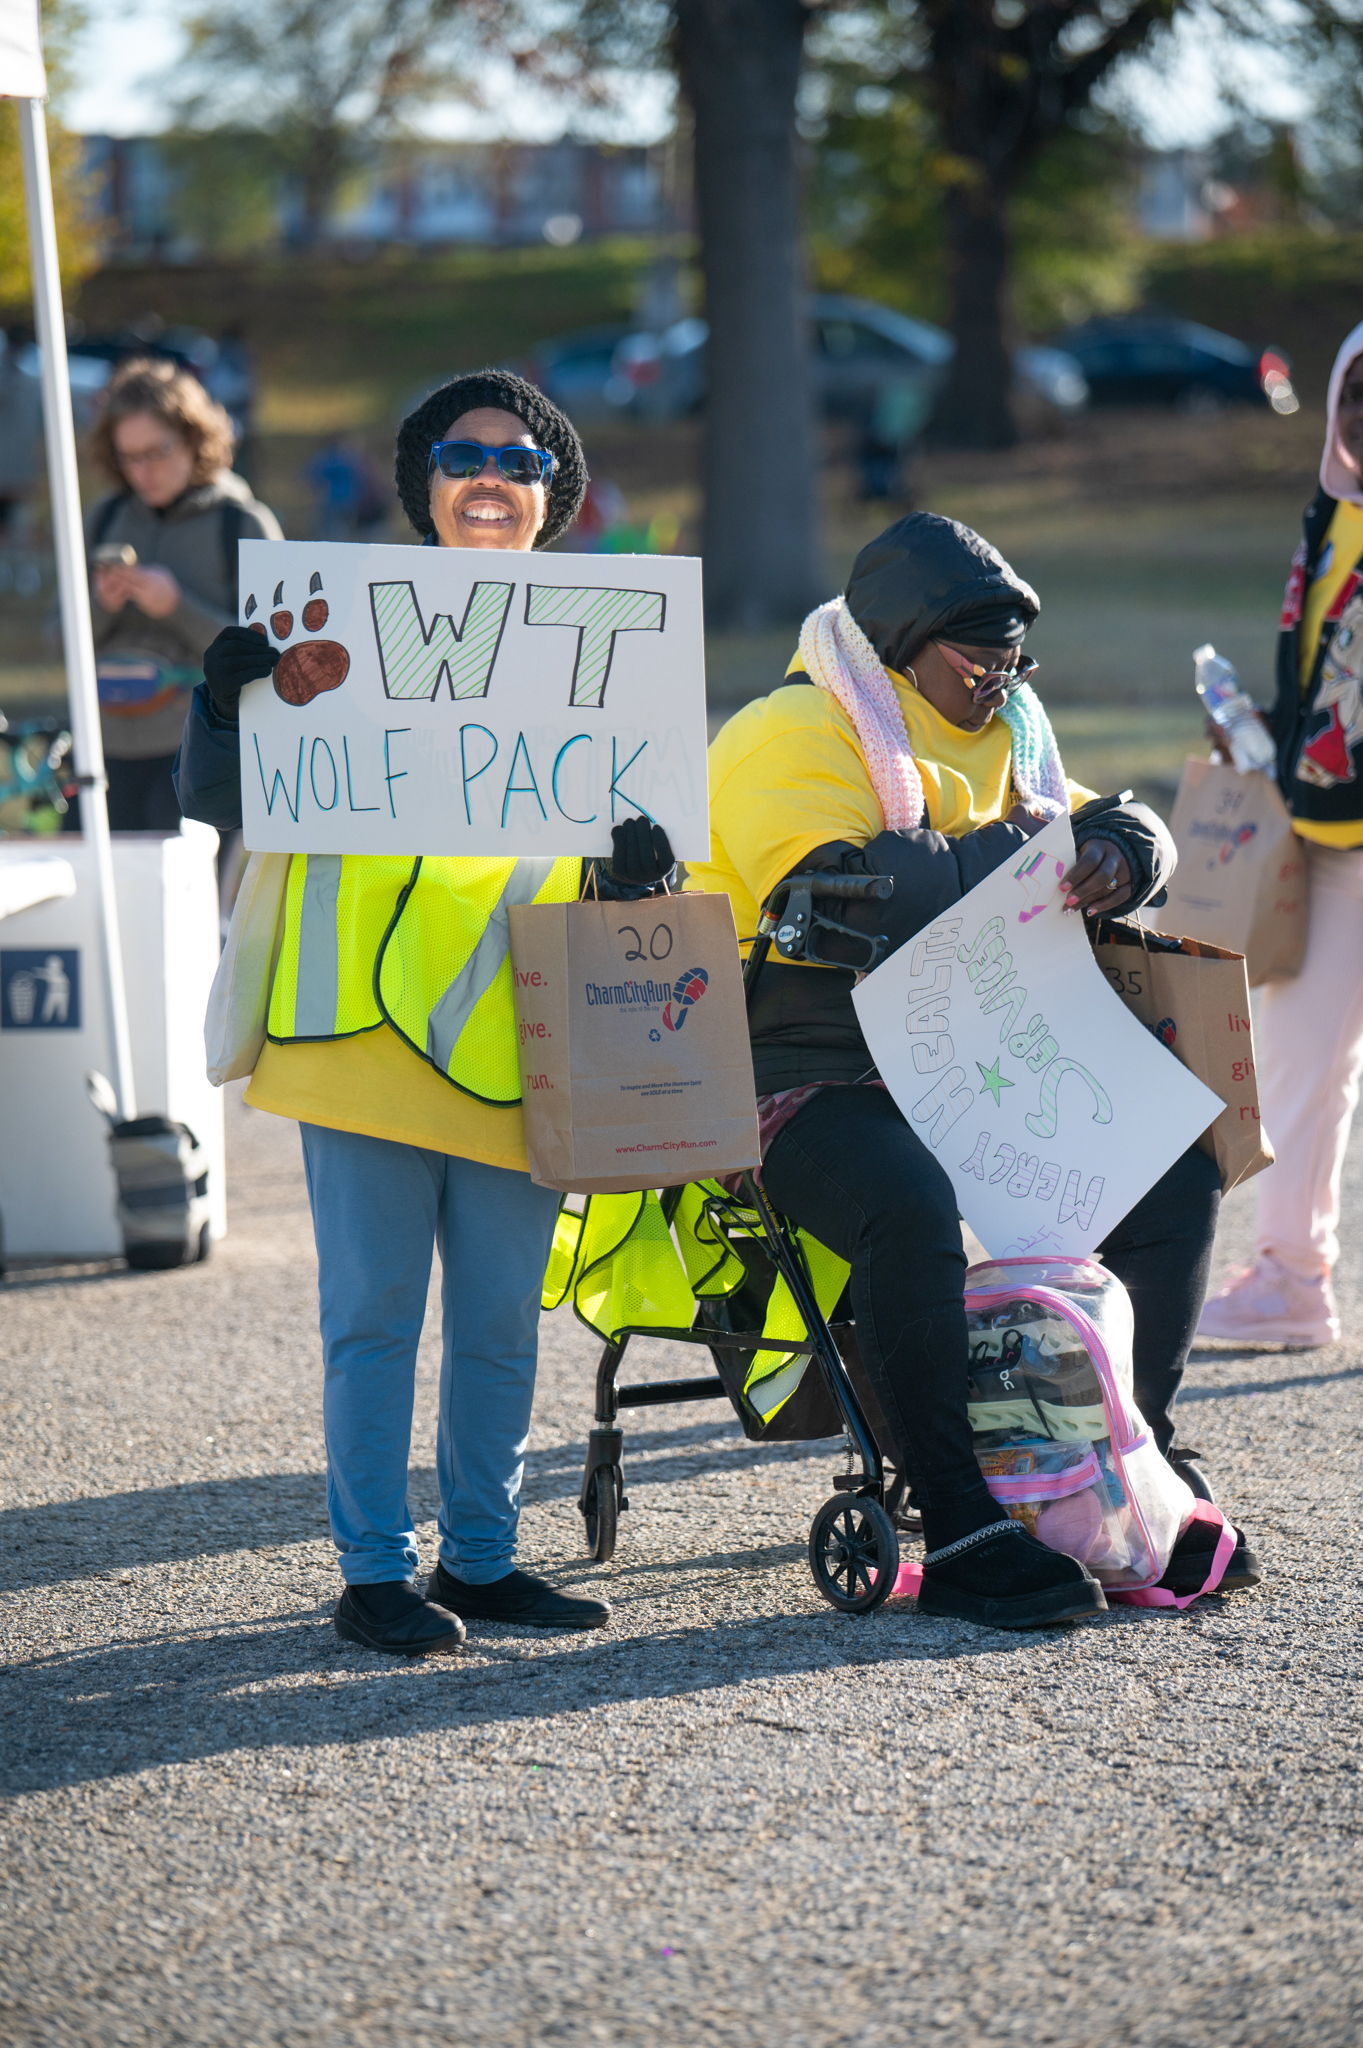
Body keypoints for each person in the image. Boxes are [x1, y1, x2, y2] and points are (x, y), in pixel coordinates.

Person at [174, 369, 673, 1656]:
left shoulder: (605, 650)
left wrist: (640, 871)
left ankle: (486, 1559)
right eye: (462, 457)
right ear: (424, 486)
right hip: (350, 1036)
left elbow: (642, 858)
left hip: (518, 1038)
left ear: (555, 495)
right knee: (374, 1317)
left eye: (521, 462)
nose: (491, 479)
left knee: (503, 1320)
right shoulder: (330, 629)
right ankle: (372, 1571)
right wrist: (222, 702)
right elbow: (233, 798)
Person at [687, 512, 1261, 1629]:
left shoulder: (1015, 727)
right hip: (802, 1073)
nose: (1000, 679)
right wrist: (1039, 848)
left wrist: (1123, 849)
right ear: (904, 643)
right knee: (908, 1202)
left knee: (1172, 1169)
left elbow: (1112, 811)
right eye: (979, 658)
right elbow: (846, 898)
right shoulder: (790, 731)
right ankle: (958, 1520)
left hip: (970, 1053)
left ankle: (1124, 1466)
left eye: (1014, 659)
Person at [1199, 326, 1363, 1349]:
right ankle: (1292, 1278)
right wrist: (1256, 727)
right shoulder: (1332, 515)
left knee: (1306, 1061)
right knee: (1301, 1061)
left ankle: (1291, 1274)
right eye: (1355, 398)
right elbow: (1318, 680)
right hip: (1327, 839)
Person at [86, 356, 282, 831]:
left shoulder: (242, 522)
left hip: (196, 757)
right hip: (102, 754)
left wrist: (177, 607)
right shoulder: (105, 516)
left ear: (194, 439)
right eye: (129, 457)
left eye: (158, 452)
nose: (144, 471)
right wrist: (99, 606)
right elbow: (59, 639)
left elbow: (274, 654)